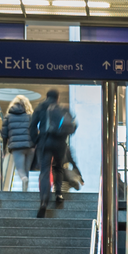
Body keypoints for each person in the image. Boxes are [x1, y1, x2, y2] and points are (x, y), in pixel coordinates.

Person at [30, 87, 75, 217]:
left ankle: (44, 200)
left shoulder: (40, 108)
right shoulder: (62, 109)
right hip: (59, 143)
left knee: (45, 170)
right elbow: (70, 125)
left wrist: (36, 140)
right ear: (57, 98)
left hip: (44, 141)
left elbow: (32, 126)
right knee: (58, 167)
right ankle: (59, 194)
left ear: (46, 96)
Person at [0, 94, 36, 191]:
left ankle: (24, 180)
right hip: (30, 146)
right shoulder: (30, 116)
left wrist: (3, 150)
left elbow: (4, 135)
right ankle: (25, 191)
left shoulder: (8, 117)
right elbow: (35, 132)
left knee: (20, 169)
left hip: (17, 147)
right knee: (26, 169)